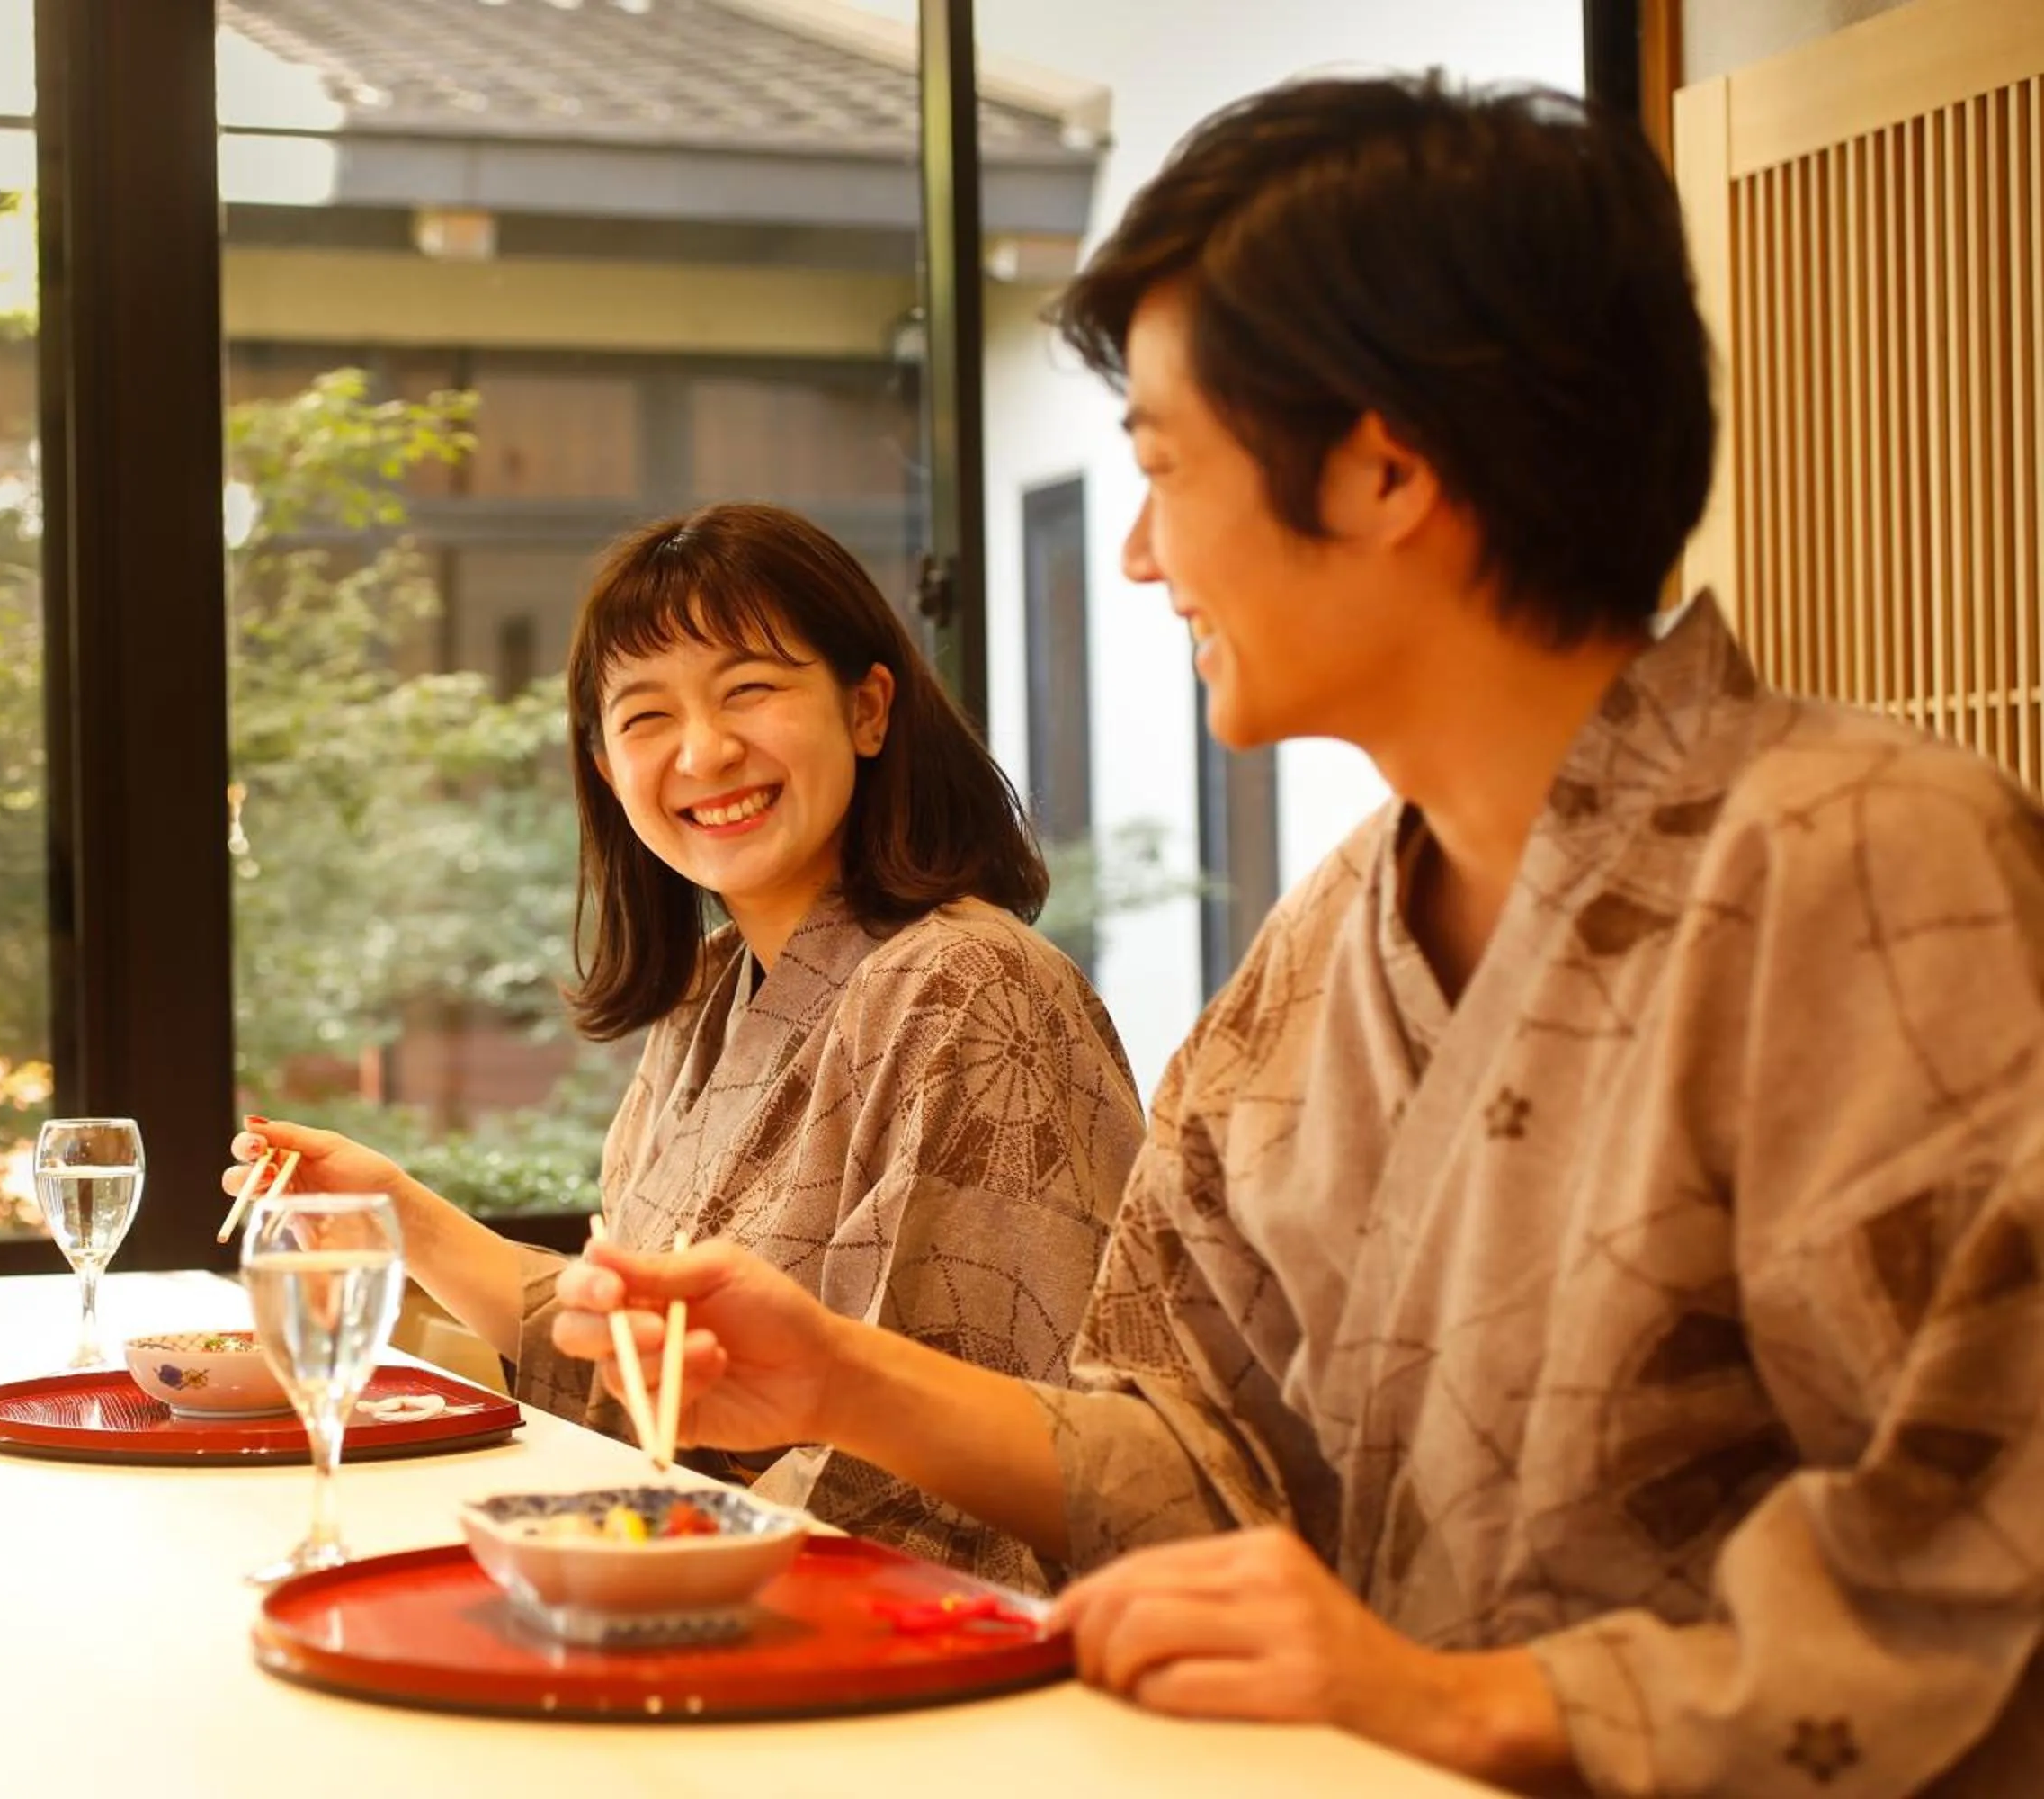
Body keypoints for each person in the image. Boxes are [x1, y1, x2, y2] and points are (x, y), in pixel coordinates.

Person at [549, 73, 2044, 1795]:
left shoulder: (1867, 871)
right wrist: (839, 1378)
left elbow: (1984, 1550)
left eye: (1166, 471)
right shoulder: (1333, 939)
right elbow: (1200, 1448)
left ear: (1385, 469)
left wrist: (1478, 1706)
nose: (1132, 555)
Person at [228, 501, 1143, 1587]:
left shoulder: (967, 987)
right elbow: (636, 1381)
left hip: (904, 1650)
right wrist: (393, 1209)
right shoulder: (706, 995)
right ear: (610, 770)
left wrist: (626, 1576)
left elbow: (940, 1476)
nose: (704, 751)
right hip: (708, 1598)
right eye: (647, 715)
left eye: (749, 689)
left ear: (867, 706)